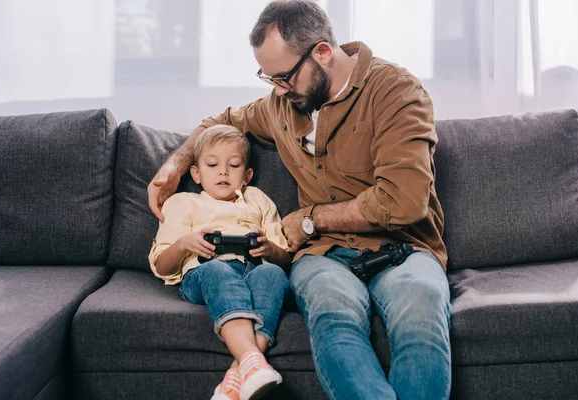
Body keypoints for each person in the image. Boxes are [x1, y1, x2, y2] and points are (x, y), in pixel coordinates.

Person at [148, 1, 452, 399]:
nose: (277, 90)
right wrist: (175, 165)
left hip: (404, 249)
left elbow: (404, 201)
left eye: (284, 77)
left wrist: (310, 219)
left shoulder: (396, 92)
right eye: (268, 78)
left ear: (322, 53)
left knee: (420, 323)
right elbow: (220, 122)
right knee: (334, 324)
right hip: (323, 257)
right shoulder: (281, 105)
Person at [148, 124, 291, 400]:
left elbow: (284, 258)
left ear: (247, 175)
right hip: (204, 272)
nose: (223, 171)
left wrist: (268, 248)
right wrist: (184, 243)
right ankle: (251, 357)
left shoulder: (258, 200)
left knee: (273, 274)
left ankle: (238, 376)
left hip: (254, 270)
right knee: (216, 269)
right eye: (212, 164)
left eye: (233, 165)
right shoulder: (184, 202)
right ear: (196, 174)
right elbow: (162, 266)